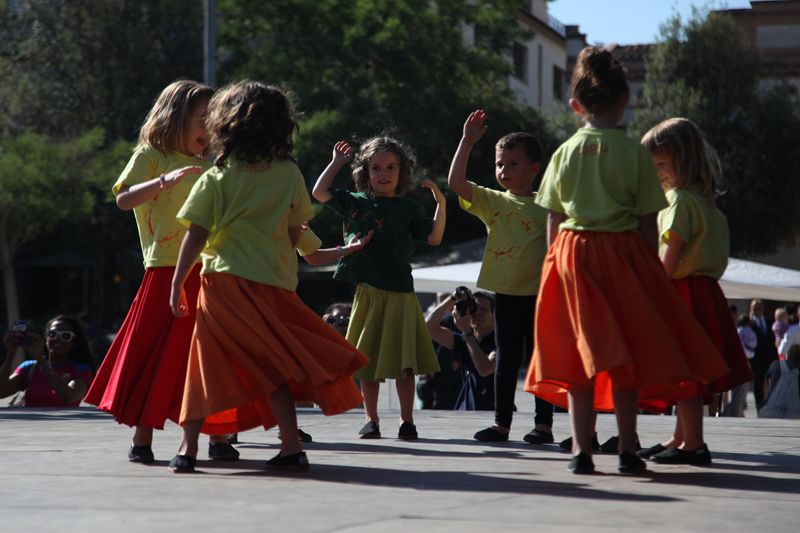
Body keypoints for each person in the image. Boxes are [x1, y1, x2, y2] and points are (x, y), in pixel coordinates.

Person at [524, 46, 728, 475]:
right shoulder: (635, 152)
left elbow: (554, 218)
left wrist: (551, 265)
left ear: (575, 105)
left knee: (582, 357)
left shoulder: (564, 152)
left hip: (572, 253)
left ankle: (582, 450)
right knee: (626, 354)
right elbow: (648, 220)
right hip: (622, 253)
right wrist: (650, 272)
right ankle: (627, 449)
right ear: (625, 100)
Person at [168, 81, 366, 473]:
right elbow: (294, 232)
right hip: (274, 282)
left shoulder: (218, 176)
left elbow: (197, 233)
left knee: (204, 364)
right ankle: (291, 447)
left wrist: (176, 283)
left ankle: (187, 448)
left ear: (226, 124)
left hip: (224, 283)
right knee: (273, 364)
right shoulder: (289, 174)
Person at [84, 80, 237, 464]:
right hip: (164, 269)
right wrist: (164, 180)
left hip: (208, 268)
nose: (209, 126)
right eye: (204, 117)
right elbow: (123, 199)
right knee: (153, 354)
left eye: (213, 118)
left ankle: (219, 436)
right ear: (178, 117)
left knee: (210, 357)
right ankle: (142, 438)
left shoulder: (211, 165)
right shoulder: (151, 154)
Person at [635, 117, 752, 464]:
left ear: (682, 162)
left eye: (660, 164)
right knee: (690, 371)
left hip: (681, 292)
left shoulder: (678, 202)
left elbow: (672, 249)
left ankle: (694, 443)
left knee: (684, 372)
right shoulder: (709, 204)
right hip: (705, 292)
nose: (655, 172)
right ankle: (681, 436)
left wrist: (652, 286)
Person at [312, 137, 446, 440]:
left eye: (390, 167)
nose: (383, 173)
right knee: (367, 363)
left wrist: (442, 205)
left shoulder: (409, 209)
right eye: (375, 167)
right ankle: (370, 420)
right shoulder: (354, 200)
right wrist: (335, 162)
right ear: (365, 171)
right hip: (369, 293)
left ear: (402, 172)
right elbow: (319, 192)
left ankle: (406, 421)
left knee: (406, 365)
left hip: (401, 294)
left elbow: (435, 238)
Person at [447, 110, 554, 444]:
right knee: (506, 361)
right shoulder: (493, 202)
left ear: (534, 169)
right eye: (499, 164)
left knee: (542, 360)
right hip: (506, 294)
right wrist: (467, 140)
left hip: (540, 295)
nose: (503, 170)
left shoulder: (550, 206)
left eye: (512, 164)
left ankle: (543, 425)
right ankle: (502, 424)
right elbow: (455, 183)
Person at [426, 288, 496, 411]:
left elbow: (485, 369)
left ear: (494, 316)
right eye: (474, 308)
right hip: (467, 413)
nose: (477, 313)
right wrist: (452, 299)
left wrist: (467, 333)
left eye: (484, 310)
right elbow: (428, 327)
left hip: (493, 415)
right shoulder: (465, 340)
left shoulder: (501, 342)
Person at [1, 316, 94, 407]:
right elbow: (1, 392)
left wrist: (41, 361)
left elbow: (69, 396)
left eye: (66, 335)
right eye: (52, 334)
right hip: (30, 422)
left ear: (75, 342)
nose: (58, 339)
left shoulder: (81, 370)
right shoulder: (29, 367)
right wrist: (10, 354)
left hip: (67, 423)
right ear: (46, 338)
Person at [720, 314, 757, 417]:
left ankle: (733, 412)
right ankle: (733, 413)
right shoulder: (747, 332)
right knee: (740, 392)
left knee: (736, 392)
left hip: (734, 362)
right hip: (743, 362)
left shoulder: (736, 331)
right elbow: (752, 348)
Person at [749, 298, 779, 409]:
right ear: (751, 310)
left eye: (759, 308)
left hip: (770, 357)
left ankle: (770, 404)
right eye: (755, 309)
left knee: (771, 381)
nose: (757, 311)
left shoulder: (770, 322)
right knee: (758, 382)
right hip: (756, 359)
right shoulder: (750, 324)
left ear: (763, 309)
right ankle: (759, 406)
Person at [758, 344, 800, 418]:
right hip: (796, 413)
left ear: (788, 355)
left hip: (770, 411)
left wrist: (765, 401)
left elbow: (766, 381)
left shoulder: (776, 365)